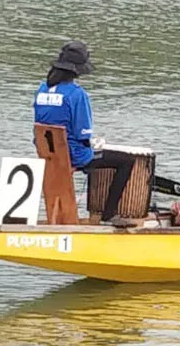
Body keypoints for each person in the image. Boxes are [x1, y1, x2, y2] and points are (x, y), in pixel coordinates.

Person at [33, 41, 135, 227]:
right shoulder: (77, 95)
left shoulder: (41, 90)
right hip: (74, 157)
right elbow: (83, 135)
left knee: (95, 156)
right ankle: (108, 214)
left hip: (49, 156)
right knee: (126, 161)